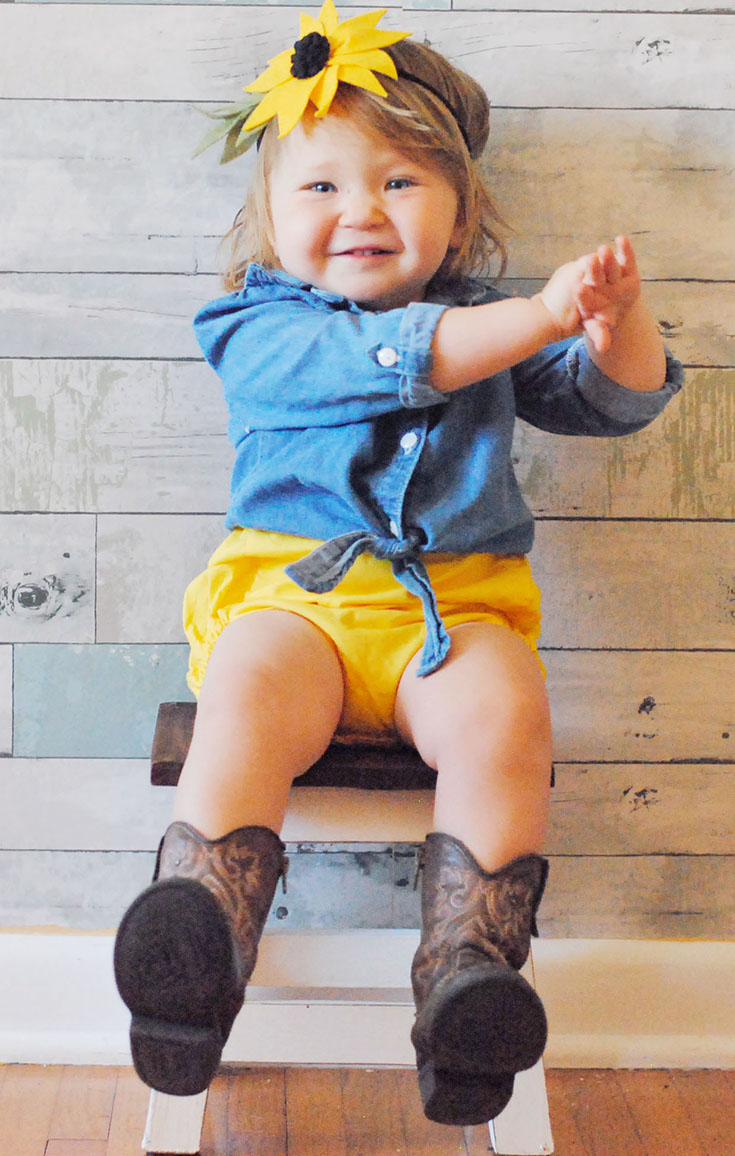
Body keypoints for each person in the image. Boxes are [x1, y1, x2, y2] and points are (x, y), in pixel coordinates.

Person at [114, 1, 683, 1126]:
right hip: (298, 604)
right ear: (269, 215)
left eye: (399, 182)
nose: (361, 211)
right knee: (248, 695)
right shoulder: (256, 326)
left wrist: (614, 321)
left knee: (505, 710)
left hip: (451, 615)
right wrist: (538, 313)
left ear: (460, 208)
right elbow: (397, 358)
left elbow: (607, 403)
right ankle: (198, 942)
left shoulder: (491, 318)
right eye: (322, 186)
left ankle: (467, 975)